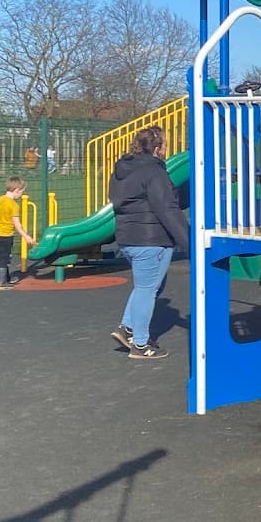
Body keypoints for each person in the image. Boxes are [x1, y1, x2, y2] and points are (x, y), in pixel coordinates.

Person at [108, 126, 190, 360]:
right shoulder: (155, 172)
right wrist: (188, 242)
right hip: (151, 239)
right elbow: (167, 208)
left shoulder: (122, 171)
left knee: (150, 285)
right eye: (164, 144)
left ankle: (128, 328)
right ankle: (141, 345)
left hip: (128, 237)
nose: (166, 148)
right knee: (147, 289)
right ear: (156, 147)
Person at [0, 175, 35, 289]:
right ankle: (2, 282)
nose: (21, 195)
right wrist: (26, 236)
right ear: (16, 190)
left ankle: (6, 278)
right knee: (4, 257)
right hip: (5, 235)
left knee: (4, 255)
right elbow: (17, 224)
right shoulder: (13, 205)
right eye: (22, 192)